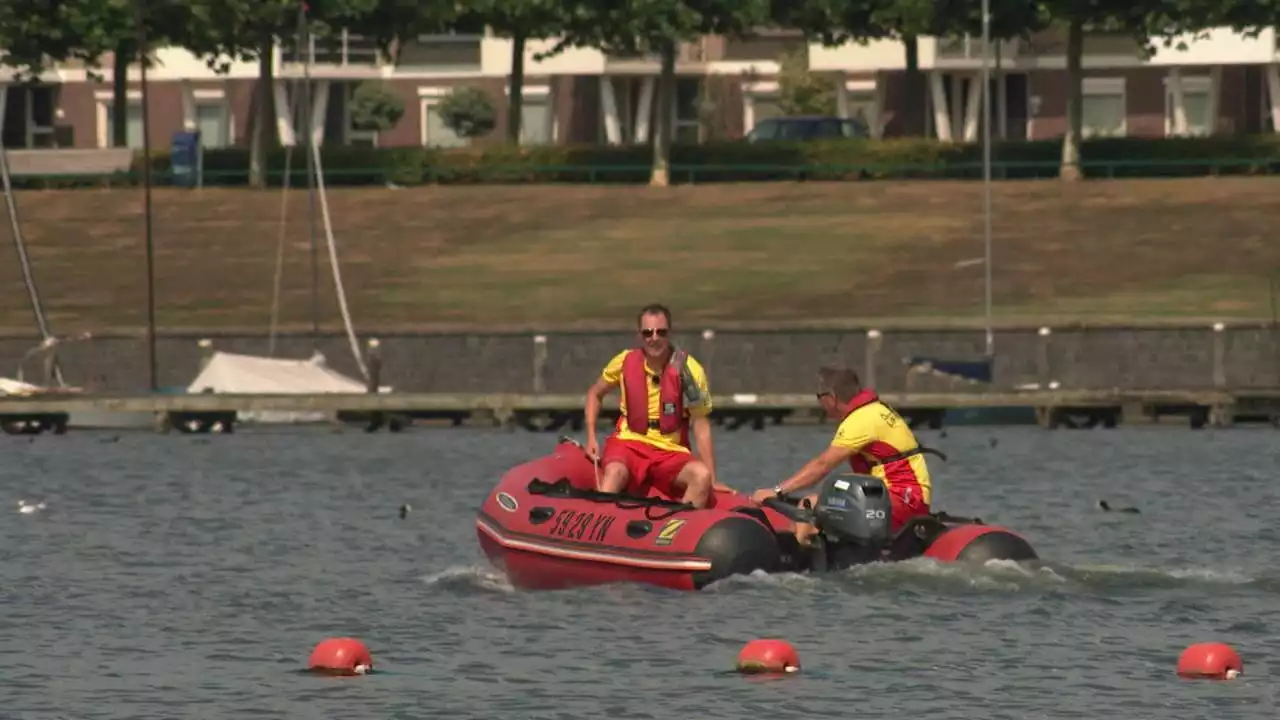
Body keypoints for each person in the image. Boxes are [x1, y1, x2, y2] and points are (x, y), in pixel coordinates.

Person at [751, 365, 941, 543]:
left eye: (819, 396)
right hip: (907, 498)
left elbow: (822, 465)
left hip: (902, 500)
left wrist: (777, 491)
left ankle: (800, 558)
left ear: (831, 397)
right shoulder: (875, 409)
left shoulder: (860, 420)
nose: (819, 403)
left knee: (809, 504)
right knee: (833, 491)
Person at [584, 303, 723, 508]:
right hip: (629, 442)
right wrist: (591, 437)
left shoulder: (690, 371)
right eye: (648, 332)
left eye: (661, 332)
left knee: (700, 476)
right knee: (615, 473)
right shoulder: (624, 361)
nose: (654, 338)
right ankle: (599, 523)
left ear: (670, 333)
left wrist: (712, 477)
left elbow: (700, 423)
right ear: (639, 335)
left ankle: (678, 530)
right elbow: (595, 394)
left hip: (670, 449)